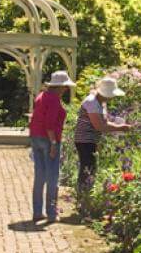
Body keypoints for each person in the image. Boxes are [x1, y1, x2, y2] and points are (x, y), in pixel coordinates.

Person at [28, 70, 74, 223]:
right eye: (65, 86)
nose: (66, 89)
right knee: (53, 177)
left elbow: (36, 118)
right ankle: (52, 213)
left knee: (40, 176)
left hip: (36, 137)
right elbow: (49, 124)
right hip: (49, 139)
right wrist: (54, 143)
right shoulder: (54, 99)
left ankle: (37, 212)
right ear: (59, 87)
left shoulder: (41, 96)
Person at [73, 76, 131, 197]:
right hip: (84, 140)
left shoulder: (100, 103)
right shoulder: (92, 102)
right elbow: (99, 126)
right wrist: (120, 128)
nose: (112, 98)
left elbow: (104, 123)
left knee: (91, 168)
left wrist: (118, 125)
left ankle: (85, 195)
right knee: (87, 168)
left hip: (91, 140)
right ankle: (82, 196)